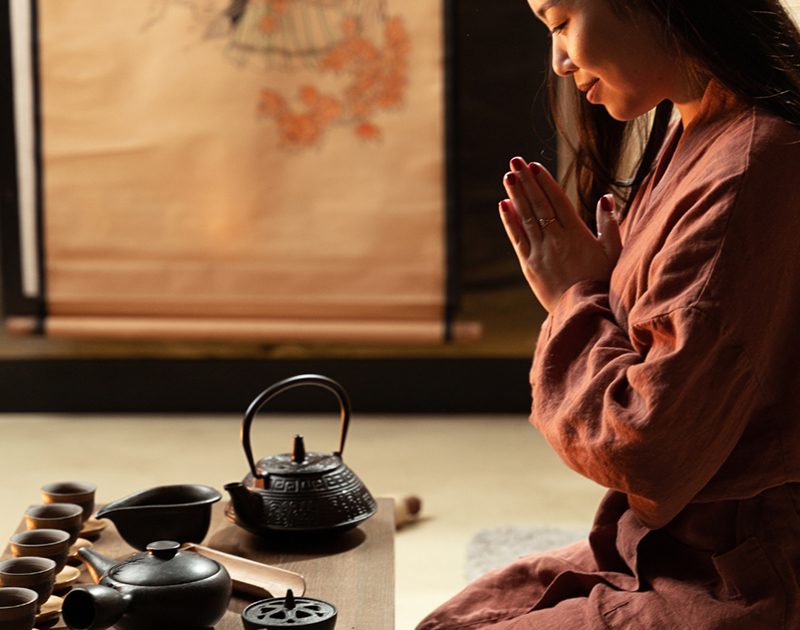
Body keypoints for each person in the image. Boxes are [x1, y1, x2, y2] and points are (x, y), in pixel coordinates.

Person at [416, 0, 800, 628]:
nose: (559, 62)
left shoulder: (754, 163)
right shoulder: (698, 126)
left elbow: (646, 445)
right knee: (459, 617)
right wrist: (616, 283)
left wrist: (576, 298)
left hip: (744, 575)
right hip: (668, 546)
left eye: (561, 22)